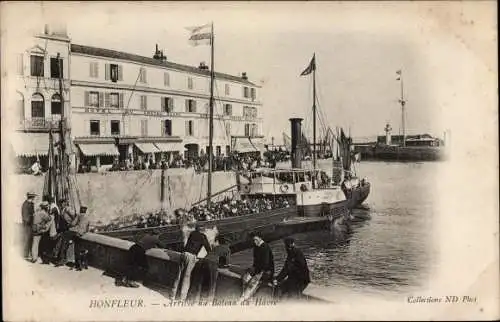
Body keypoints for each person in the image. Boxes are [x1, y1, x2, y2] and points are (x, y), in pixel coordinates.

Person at [174, 222, 212, 301]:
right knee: (186, 277)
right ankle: (182, 298)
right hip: (191, 256)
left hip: (183, 254)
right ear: (202, 230)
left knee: (178, 275)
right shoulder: (203, 236)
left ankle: (173, 295)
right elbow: (208, 249)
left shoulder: (192, 233)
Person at [191, 235, 231, 302]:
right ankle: (208, 301)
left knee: (201, 282)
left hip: (203, 261)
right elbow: (227, 263)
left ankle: (197, 300)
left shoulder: (216, 247)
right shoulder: (227, 249)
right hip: (212, 264)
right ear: (227, 243)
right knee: (212, 283)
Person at [239, 232, 275, 303]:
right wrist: (252, 269)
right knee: (245, 278)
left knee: (253, 281)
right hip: (258, 269)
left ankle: (246, 298)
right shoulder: (256, 247)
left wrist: (256, 272)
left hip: (266, 271)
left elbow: (265, 264)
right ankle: (245, 296)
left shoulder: (265, 247)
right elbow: (255, 262)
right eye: (253, 240)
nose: (254, 241)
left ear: (260, 238)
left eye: (255, 239)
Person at [21, 192, 36, 259]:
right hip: (27, 225)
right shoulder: (25, 204)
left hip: (31, 224)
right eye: (33, 197)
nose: (34, 198)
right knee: (27, 239)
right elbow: (25, 216)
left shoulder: (31, 204)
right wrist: (30, 218)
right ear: (31, 197)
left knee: (30, 239)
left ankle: (29, 253)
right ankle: (26, 255)